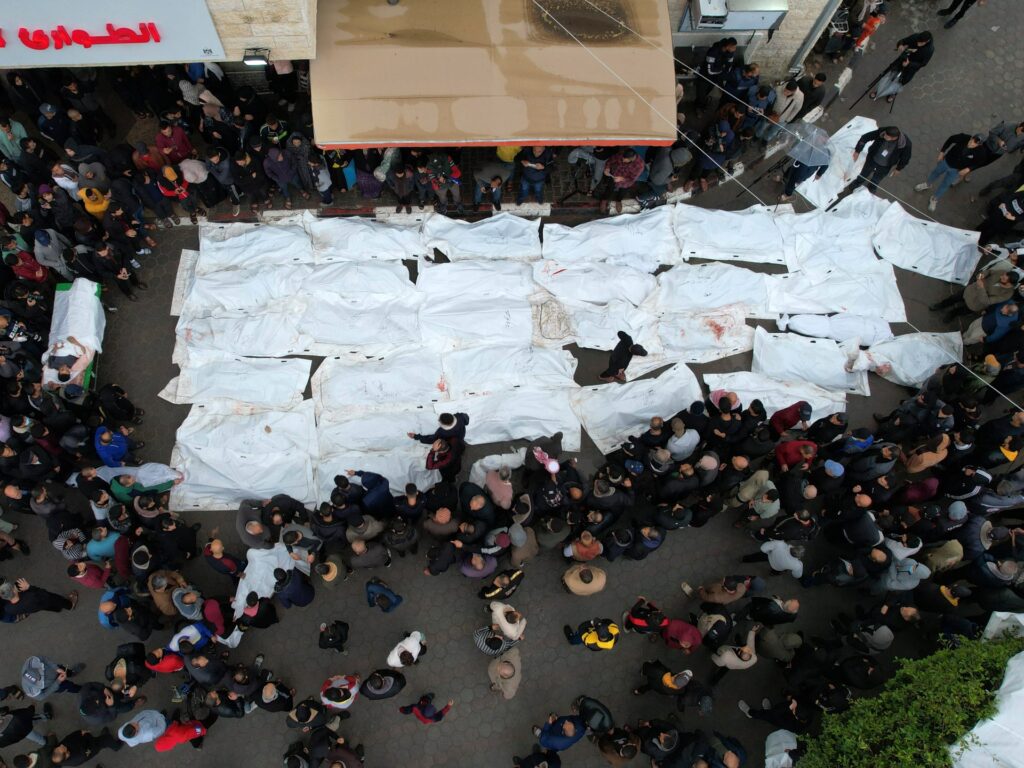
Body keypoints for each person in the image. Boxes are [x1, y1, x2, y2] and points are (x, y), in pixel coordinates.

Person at [915, 133, 993, 211]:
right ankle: (927, 184)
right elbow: (951, 139)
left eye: (976, 143)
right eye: (973, 140)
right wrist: (942, 152)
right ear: (971, 137)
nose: (973, 143)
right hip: (946, 162)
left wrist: (968, 169)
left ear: (979, 145)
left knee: (945, 184)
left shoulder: (981, 152)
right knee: (935, 173)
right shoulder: (963, 137)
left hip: (956, 170)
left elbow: (979, 162)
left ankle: (934, 198)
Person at [870, 31, 934, 103]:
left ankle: (892, 93)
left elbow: (923, 63)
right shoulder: (916, 36)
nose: (918, 44)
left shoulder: (929, 50)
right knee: (889, 75)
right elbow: (903, 41)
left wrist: (909, 64)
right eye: (918, 42)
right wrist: (900, 45)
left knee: (901, 82)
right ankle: (880, 91)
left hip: (911, 68)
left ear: (927, 41)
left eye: (921, 43)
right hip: (902, 59)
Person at [849, 126, 912, 193]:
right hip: (872, 159)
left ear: (894, 138)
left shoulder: (906, 144)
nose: (884, 136)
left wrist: (898, 169)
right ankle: (858, 182)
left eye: (887, 136)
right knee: (864, 172)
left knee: (878, 178)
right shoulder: (882, 132)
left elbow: (905, 157)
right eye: (884, 134)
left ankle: (872, 186)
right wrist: (857, 151)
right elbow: (865, 137)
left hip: (886, 165)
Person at [596, 149, 645, 215]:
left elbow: (632, 178)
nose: (622, 160)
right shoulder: (621, 154)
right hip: (614, 175)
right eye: (622, 158)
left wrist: (622, 179)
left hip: (626, 182)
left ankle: (618, 201)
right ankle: (604, 200)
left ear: (632, 159)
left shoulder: (640, 165)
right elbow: (610, 161)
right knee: (609, 189)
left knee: (622, 192)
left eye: (625, 159)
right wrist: (607, 168)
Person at [696, 38, 738, 113]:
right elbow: (710, 70)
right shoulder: (713, 52)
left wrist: (724, 72)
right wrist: (721, 70)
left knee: (707, 92)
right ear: (728, 46)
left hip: (715, 77)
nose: (735, 49)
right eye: (734, 47)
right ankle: (699, 107)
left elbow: (729, 65)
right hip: (705, 76)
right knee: (701, 93)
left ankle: (702, 103)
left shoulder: (730, 53)